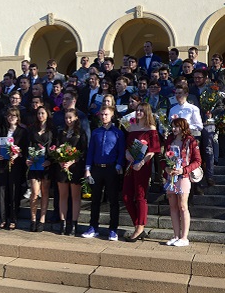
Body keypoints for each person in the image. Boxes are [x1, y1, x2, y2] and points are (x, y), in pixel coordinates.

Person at [82, 105, 125, 240]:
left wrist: (119, 164)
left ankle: (113, 229)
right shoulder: (96, 132)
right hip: (96, 168)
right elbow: (91, 151)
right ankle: (93, 227)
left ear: (112, 115)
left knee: (113, 200)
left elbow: (121, 150)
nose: (103, 117)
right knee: (95, 200)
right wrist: (87, 168)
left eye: (106, 114)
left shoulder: (118, 133)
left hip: (111, 169)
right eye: (102, 114)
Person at [122, 103, 161, 242]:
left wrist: (142, 162)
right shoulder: (131, 127)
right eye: (137, 110)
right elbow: (127, 145)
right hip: (130, 164)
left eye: (141, 111)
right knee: (126, 196)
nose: (138, 113)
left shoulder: (151, 129)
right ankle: (137, 223)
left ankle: (140, 227)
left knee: (140, 196)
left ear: (147, 113)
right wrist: (127, 153)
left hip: (143, 165)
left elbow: (153, 150)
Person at [163, 118, 201, 247]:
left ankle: (184, 237)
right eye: (173, 126)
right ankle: (176, 236)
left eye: (177, 127)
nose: (174, 129)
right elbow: (164, 158)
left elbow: (197, 161)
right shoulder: (169, 140)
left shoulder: (190, 141)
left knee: (183, 206)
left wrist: (184, 169)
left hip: (183, 176)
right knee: (173, 206)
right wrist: (166, 168)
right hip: (170, 177)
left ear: (183, 127)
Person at [55, 108, 87, 236]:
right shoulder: (61, 132)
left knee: (75, 197)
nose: (68, 120)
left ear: (76, 118)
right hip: (62, 167)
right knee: (63, 195)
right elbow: (55, 148)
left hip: (75, 167)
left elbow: (83, 150)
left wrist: (72, 161)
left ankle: (73, 224)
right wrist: (60, 160)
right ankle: (62, 223)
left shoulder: (81, 132)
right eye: (66, 118)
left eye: (70, 118)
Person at [0, 107, 28, 230]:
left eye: (14, 116)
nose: (11, 118)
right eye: (9, 116)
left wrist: (18, 154)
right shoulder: (3, 130)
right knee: (3, 191)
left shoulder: (22, 131)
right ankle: (3, 219)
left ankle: (13, 219)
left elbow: (25, 149)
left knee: (14, 191)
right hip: (3, 164)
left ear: (18, 117)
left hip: (16, 164)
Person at [25, 105, 54, 232]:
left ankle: (42, 220)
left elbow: (54, 147)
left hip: (46, 165)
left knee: (45, 192)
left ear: (47, 114)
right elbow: (28, 145)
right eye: (38, 113)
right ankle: (33, 219)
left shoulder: (52, 130)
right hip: (35, 164)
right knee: (35, 192)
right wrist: (28, 159)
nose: (40, 116)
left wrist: (50, 161)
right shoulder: (32, 130)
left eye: (42, 113)